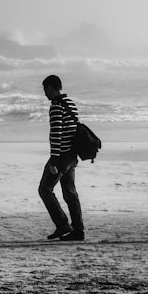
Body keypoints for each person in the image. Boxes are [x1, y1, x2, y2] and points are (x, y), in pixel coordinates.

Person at [39, 74, 85, 241]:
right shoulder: (71, 104)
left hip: (61, 156)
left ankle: (63, 224)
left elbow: (56, 134)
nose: (45, 94)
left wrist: (53, 160)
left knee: (45, 189)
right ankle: (78, 231)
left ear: (51, 88)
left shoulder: (56, 106)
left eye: (45, 90)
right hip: (72, 155)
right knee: (70, 193)